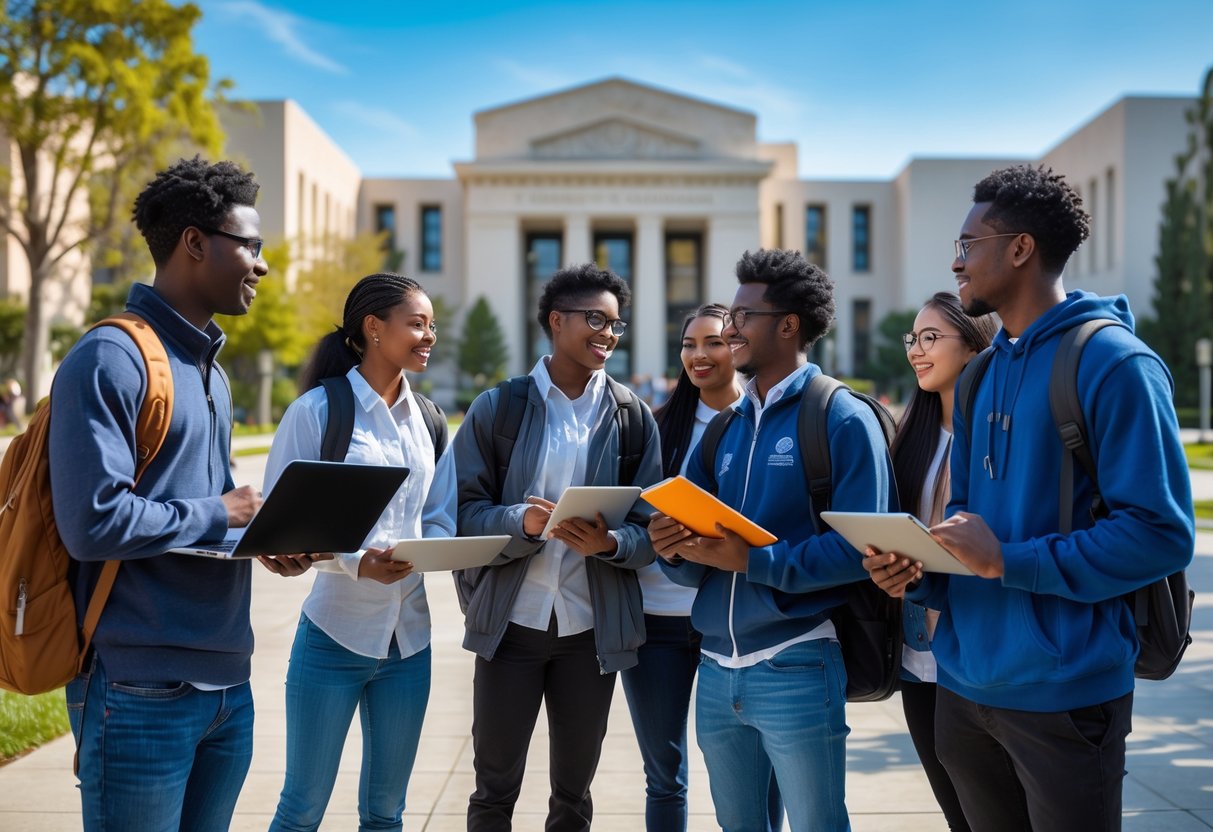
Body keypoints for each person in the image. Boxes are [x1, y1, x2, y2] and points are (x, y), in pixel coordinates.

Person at [871, 165, 1195, 831]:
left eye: (968, 245)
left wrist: (1007, 562)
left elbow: (1160, 534)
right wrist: (918, 575)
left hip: (1065, 696)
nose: (955, 261)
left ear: (1019, 249)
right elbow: (972, 527)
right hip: (961, 688)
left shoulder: (1114, 364)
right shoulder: (984, 370)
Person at [48, 157, 292, 831]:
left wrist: (263, 542)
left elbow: (195, 519)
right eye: (250, 245)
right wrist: (224, 510)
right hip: (137, 686)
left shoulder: (210, 371)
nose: (261, 265)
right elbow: (93, 523)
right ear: (193, 243)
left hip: (226, 685)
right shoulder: (111, 358)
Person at [648, 249, 895, 832]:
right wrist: (670, 543)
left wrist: (757, 562)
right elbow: (692, 564)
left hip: (798, 661)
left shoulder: (840, 417)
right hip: (715, 667)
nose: (729, 329)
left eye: (743, 317)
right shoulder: (728, 428)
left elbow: (866, 550)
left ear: (789, 325)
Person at [452, 262, 663, 831]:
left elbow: (652, 534)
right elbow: (462, 515)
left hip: (589, 633)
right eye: (596, 319)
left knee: (574, 796)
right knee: (494, 790)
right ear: (555, 320)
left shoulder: (632, 417)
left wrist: (612, 542)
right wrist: (520, 521)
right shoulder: (499, 407)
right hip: (510, 627)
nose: (608, 335)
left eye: (617, 325)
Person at [263, 272, 455, 831]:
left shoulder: (429, 419)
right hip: (333, 638)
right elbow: (282, 523)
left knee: (386, 813)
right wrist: (356, 562)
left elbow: (439, 516)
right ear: (373, 327)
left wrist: (437, 552)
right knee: (301, 810)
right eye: (416, 324)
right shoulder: (319, 412)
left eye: (432, 326)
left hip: (410, 643)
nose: (429, 336)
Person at [863, 291, 996, 832]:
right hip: (919, 658)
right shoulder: (909, 437)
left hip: (980, 656)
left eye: (930, 338)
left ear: (973, 346)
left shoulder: (993, 436)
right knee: (956, 815)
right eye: (911, 339)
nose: (916, 351)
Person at [622, 303, 746, 832]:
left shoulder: (762, 424)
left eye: (714, 342)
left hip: (735, 624)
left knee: (748, 774)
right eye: (689, 344)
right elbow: (630, 517)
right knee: (665, 776)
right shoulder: (657, 428)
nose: (699, 355)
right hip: (657, 621)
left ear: (738, 347)